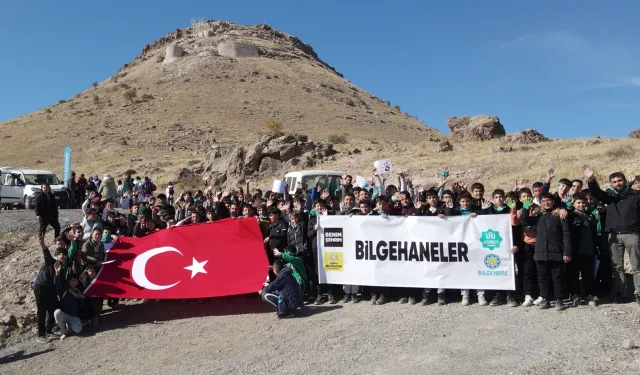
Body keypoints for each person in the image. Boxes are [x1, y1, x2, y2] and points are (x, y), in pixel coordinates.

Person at [585, 166, 640, 305]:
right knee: (617, 267)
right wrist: (591, 180)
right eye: (614, 182)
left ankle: (638, 293)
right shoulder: (610, 197)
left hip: (632, 234)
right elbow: (597, 193)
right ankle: (622, 293)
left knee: (637, 266)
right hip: (613, 235)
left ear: (625, 181)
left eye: (620, 181)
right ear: (611, 184)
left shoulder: (635, 195)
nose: (617, 183)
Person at [523, 193, 572, 311]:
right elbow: (525, 221)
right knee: (542, 278)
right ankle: (545, 298)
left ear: (553, 202)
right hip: (540, 252)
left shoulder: (560, 215)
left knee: (557, 277)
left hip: (556, 252)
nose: (546, 202)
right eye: (543, 200)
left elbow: (566, 235)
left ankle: (559, 299)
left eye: (548, 200)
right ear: (540, 203)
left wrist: (567, 252)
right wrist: (525, 208)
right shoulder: (538, 215)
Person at [53, 265, 83, 340]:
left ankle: (69, 327)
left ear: (77, 282)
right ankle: (63, 331)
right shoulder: (64, 291)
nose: (73, 282)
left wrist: (81, 298)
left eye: (75, 280)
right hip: (64, 314)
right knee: (57, 312)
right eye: (71, 280)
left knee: (78, 330)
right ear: (68, 282)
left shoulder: (79, 291)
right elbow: (56, 285)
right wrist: (57, 274)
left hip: (74, 316)